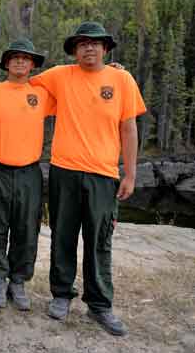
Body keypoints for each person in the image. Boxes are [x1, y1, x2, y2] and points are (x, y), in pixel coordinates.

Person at [30, 22, 146, 336]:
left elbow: (128, 129)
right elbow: (23, 83)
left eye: (95, 43)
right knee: (63, 235)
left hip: (103, 174)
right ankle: (61, 294)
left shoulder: (122, 80)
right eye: (82, 44)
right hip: (64, 171)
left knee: (99, 241)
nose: (89, 48)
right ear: (74, 51)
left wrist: (130, 174)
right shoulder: (59, 75)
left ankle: (99, 304)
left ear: (105, 49)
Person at [0, 39, 53, 311]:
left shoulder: (42, 93)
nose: (20, 61)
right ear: (6, 63)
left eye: (25, 58)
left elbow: (79, 92)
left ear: (32, 65)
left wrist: (112, 72)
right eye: (15, 57)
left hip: (30, 172)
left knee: (26, 228)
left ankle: (18, 281)